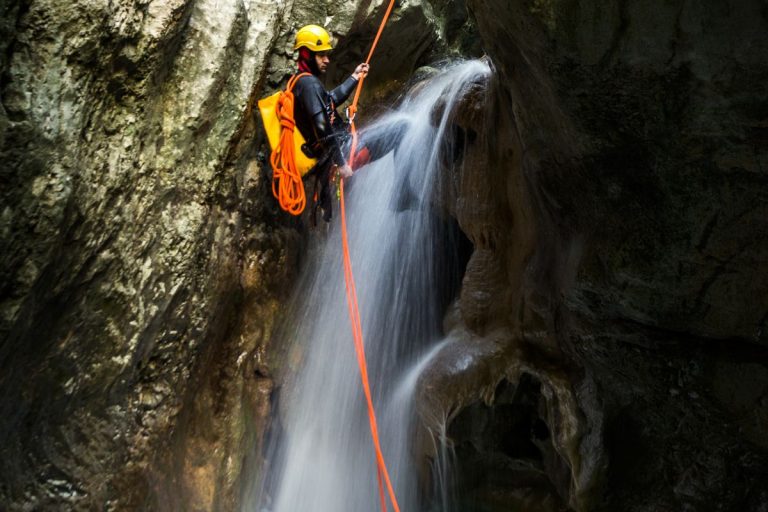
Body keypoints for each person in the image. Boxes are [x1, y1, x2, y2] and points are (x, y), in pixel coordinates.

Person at [291, 24, 406, 222]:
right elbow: (321, 127)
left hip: (339, 151)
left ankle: (402, 194)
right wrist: (342, 163)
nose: (327, 60)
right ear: (306, 54)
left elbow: (329, 101)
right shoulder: (308, 84)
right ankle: (404, 195)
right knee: (403, 128)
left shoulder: (300, 82)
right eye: (321, 55)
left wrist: (354, 77)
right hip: (344, 151)